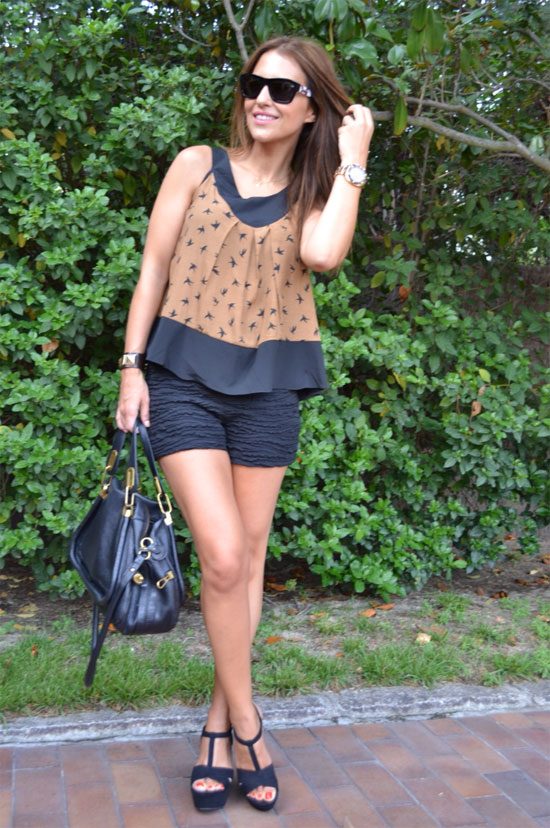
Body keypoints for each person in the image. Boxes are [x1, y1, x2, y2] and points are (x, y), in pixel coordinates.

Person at [116, 35, 374, 813]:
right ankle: (252, 726)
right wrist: (131, 365)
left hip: (268, 391)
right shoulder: (196, 165)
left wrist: (355, 156)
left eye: (283, 89)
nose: (262, 97)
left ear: (311, 109)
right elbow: (154, 267)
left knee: (250, 560)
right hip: (181, 380)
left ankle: (216, 727)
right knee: (224, 558)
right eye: (253, 83)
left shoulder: (316, 190)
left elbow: (323, 256)